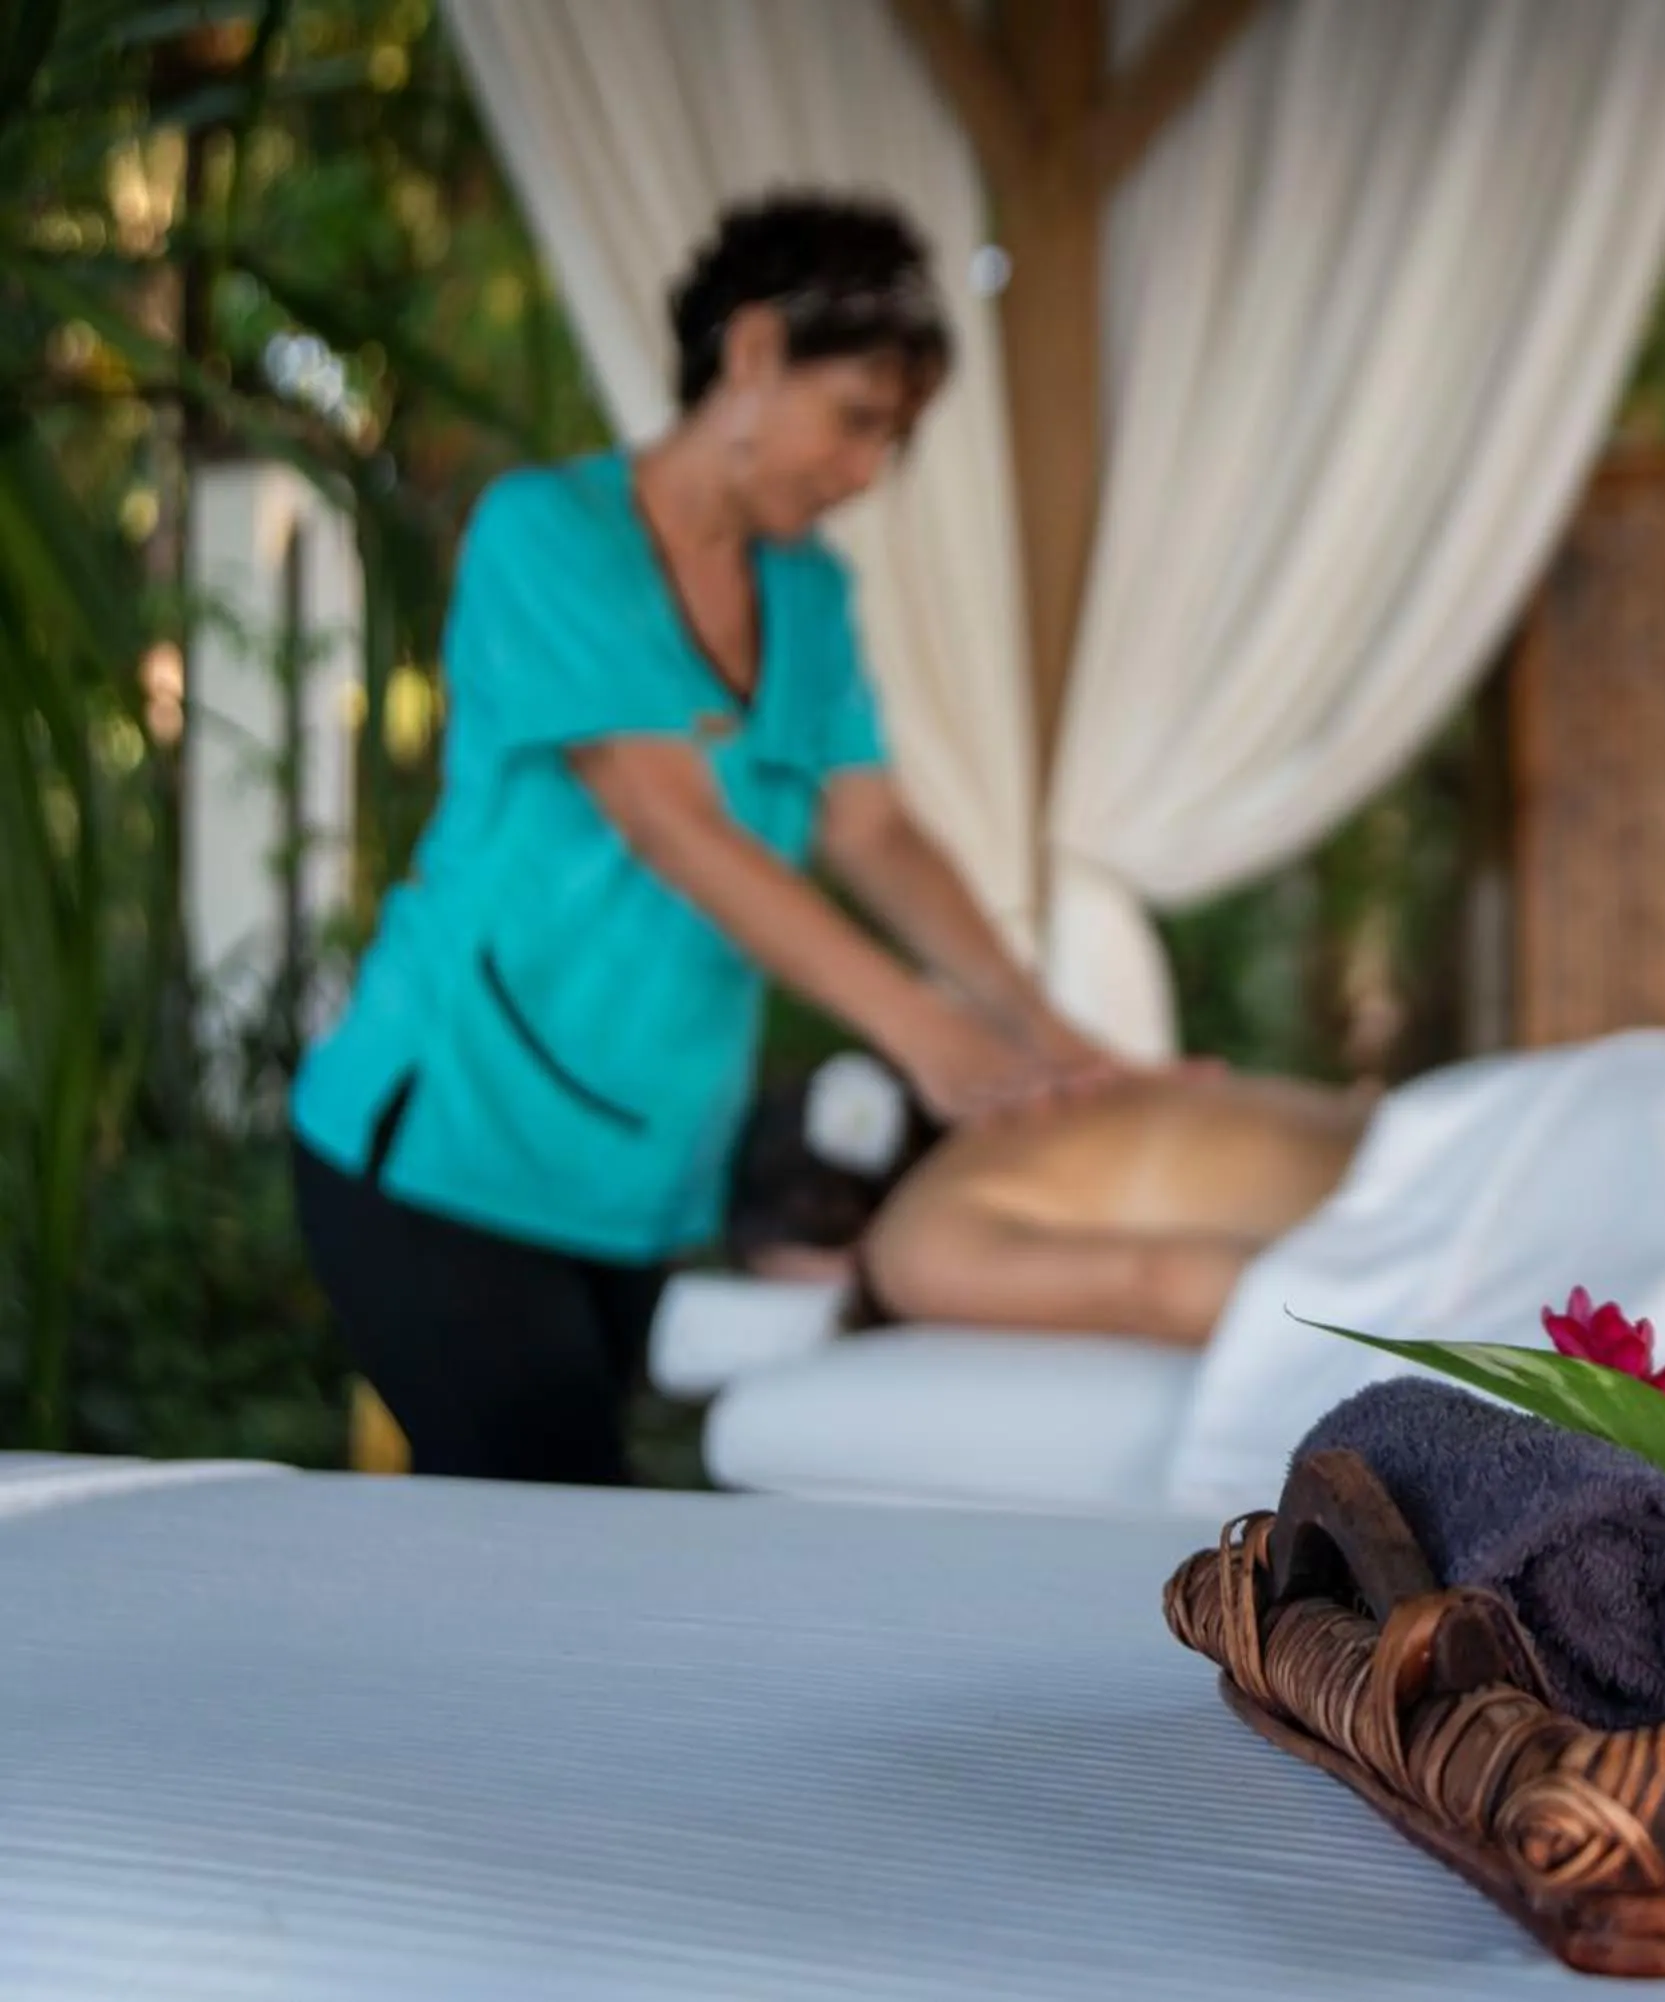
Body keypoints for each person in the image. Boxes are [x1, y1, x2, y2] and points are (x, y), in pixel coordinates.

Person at [291, 193, 1119, 1485]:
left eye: (890, 440)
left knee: (535, 1531)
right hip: (446, 1147)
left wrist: (1032, 1022)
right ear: (748, 353)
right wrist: (925, 1032)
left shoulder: (809, 591)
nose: (865, 472)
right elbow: (671, 825)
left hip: (636, 1173)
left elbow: (876, 829)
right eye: (854, 420)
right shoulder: (550, 534)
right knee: (555, 1524)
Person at [727, 1054, 1375, 1346]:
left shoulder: (913, 1247)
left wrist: (1379, 1335)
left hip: (1398, 1241)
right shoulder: (1027, 1092)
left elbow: (1157, 1283)